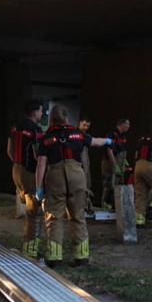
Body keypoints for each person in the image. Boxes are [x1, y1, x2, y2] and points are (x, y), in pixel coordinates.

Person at [35, 106, 112, 267]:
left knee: (54, 218)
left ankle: (55, 258)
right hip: (77, 175)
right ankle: (82, 257)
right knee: (78, 216)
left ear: (52, 120)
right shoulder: (78, 134)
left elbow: (41, 164)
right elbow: (95, 142)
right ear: (67, 119)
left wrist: (39, 188)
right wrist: (108, 141)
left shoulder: (46, 138)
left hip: (55, 176)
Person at [7, 100, 44, 257]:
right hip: (29, 172)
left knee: (29, 210)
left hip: (17, 169)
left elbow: (9, 150)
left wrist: (18, 163)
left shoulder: (15, 127)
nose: (42, 114)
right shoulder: (35, 130)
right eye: (41, 111)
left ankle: (28, 246)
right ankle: (31, 250)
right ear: (35, 113)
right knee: (34, 212)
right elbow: (38, 155)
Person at [100, 118, 131, 211]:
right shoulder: (112, 135)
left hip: (120, 162)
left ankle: (113, 205)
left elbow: (122, 149)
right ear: (122, 125)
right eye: (128, 124)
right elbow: (109, 151)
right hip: (111, 163)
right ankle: (105, 204)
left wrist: (124, 161)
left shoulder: (123, 135)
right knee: (109, 185)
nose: (129, 126)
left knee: (118, 184)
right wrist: (115, 165)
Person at [78, 117, 95, 218]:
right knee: (82, 188)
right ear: (80, 123)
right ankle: (84, 207)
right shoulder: (76, 134)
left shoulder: (86, 136)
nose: (85, 127)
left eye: (88, 126)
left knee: (87, 186)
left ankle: (86, 206)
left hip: (86, 165)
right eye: (84, 125)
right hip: (79, 165)